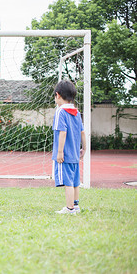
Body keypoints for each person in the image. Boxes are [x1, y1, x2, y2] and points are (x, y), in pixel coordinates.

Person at [52, 80, 86, 214]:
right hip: (75, 154)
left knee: (68, 183)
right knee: (75, 181)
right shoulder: (76, 112)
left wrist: (59, 152)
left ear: (58, 95)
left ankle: (69, 208)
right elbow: (82, 132)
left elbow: (62, 132)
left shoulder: (60, 112)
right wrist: (84, 149)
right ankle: (76, 206)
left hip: (65, 154)